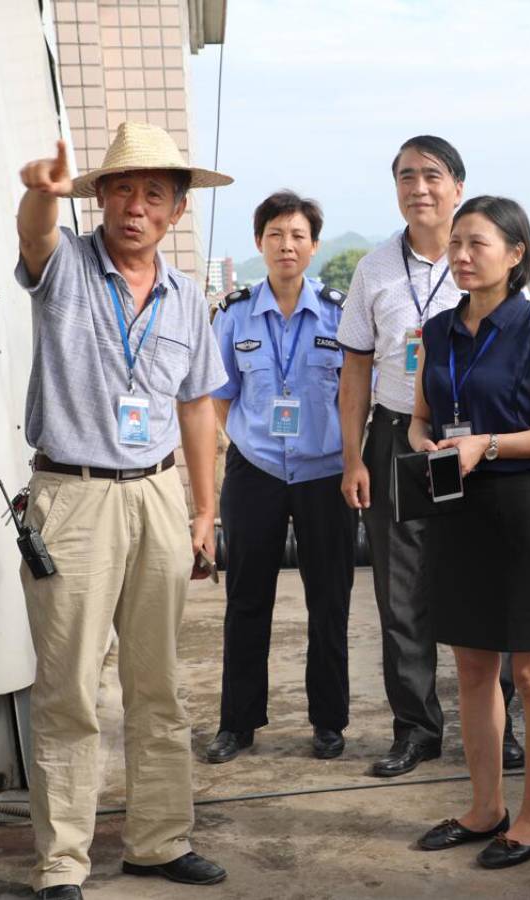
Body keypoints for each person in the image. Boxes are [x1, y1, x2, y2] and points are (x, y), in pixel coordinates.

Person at [13, 122, 232, 898]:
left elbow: (199, 406)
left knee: (158, 682)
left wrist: (204, 511)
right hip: (70, 495)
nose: (135, 206)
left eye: (152, 194)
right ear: (98, 198)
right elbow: (34, 237)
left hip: (156, 493)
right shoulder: (67, 265)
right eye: (120, 190)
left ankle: (159, 841)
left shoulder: (186, 298)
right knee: (70, 685)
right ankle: (61, 863)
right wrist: (39, 196)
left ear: (175, 211)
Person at [408, 195, 530, 868]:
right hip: (453, 505)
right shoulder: (434, 331)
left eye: (476, 244)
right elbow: (421, 416)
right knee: (472, 668)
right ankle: (485, 807)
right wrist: (424, 442)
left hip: (514, 503)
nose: (460, 255)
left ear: (515, 254)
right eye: (455, 243)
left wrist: (485, 445)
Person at [337, 136, 522, 777]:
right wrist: (353, 457)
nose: (419, 187)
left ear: (458, 186)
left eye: (432, 175)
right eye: (406, 176)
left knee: (483, 581)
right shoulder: (373, 270)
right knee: (402, 589)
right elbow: (355, 369)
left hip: (475, 442)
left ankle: (497, 723)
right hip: (396, 438)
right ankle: (416, 727)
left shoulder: (484, 259)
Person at [204, 190, 355, 764]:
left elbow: (354, 394)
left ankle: (329, 722)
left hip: (326, 473)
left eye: (297, 235)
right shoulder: (235, 313)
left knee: (329, 600)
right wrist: (250, 437)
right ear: (259, 243)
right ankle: (237, 724)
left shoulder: (341, 313)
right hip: (256, 470)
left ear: (314, 245)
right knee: (246, 599)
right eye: (275, 235)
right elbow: (221, 396)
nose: (286, 245)